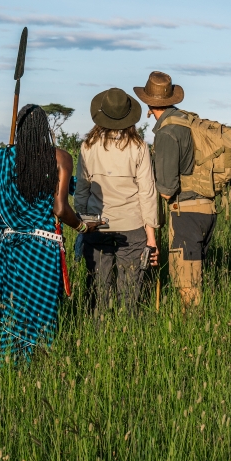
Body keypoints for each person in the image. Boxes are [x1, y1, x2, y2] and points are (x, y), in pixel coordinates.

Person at [0, 104, 82, 363]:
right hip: (42, 248)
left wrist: (11, 203)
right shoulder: (60, 158)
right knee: (42, 309)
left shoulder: (0, 159)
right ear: (45, 129)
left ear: (18, 130)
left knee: (13, 308)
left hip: (10, 247)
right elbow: (60, 209)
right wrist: (82, 227)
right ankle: (40, 361)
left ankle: (9, 361)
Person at [74, 88, 159, 314]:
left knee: (98, 289)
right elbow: (148, 193)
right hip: (132, 226)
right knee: (131, 291)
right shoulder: (139, 147)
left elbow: (81, 189)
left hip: (95, 225)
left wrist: (82, 226)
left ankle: (97, 335)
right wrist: (151, 238)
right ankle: (129, 335)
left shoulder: (88, 146)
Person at [134, 71, 215, 308]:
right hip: (206, 208)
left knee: (186, 282)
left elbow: (167, 190)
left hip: (186, 213)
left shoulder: (167, 132)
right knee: (195, 277)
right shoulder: (185, 120)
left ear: (149, 104)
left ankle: (191, 332)